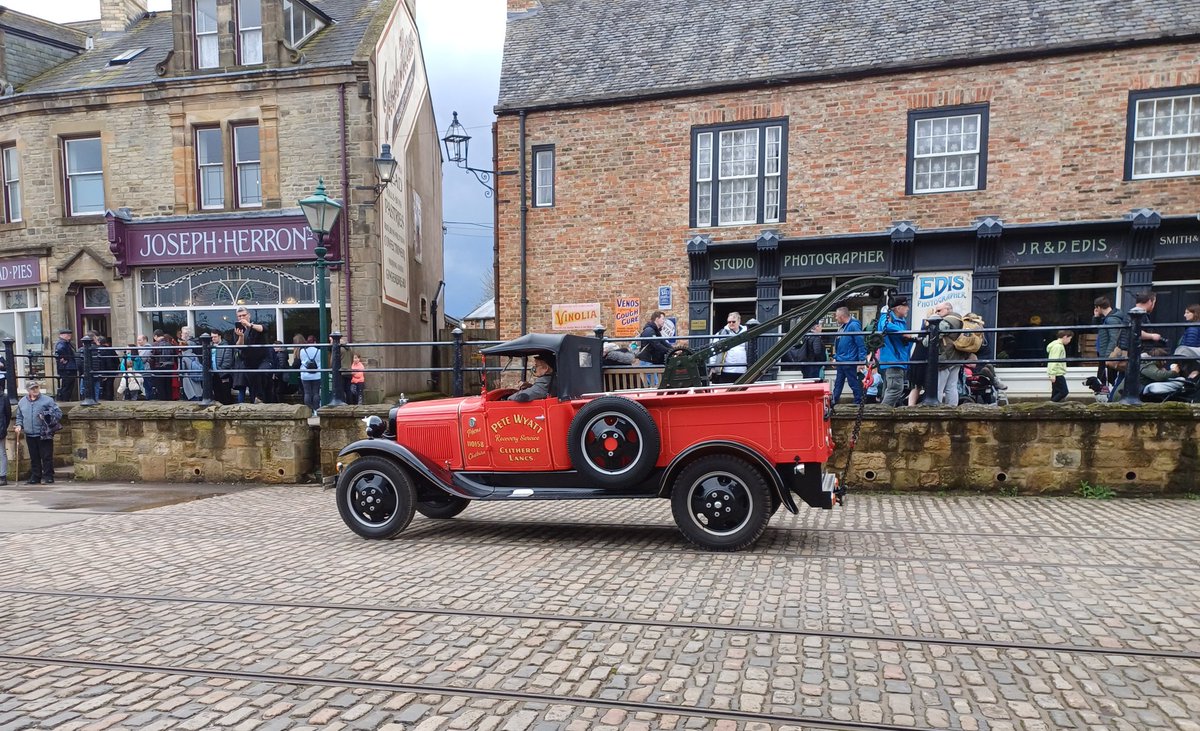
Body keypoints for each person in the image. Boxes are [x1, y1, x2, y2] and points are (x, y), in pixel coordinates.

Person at [13, 382, 61, 484]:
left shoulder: (48, 400)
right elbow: (19, 416)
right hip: (30, 433)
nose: (35, 390)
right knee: (34, 457)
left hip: (44, 433)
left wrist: (45, 415)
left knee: (46, 456)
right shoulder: (22, 402)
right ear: (28, 390)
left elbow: (58, 414)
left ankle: (48, 476)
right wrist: (19, 425)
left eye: (36, 387)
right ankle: (36, 476)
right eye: (32, 388)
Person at [877, 297, 915, 407]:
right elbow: (885, 326)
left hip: (898, 360)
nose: (908, 309)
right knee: (895, 389)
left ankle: (884, 412)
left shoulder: (899, 321)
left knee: (889, 390)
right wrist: (903, 333)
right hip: (893, 360)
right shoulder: (887, 318)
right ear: (898, 308)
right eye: (906, 306)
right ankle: (882, 415)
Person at [1092, 296, 1128, 397]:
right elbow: (1095, 329)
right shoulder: (1107, 319)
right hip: (1105, 354)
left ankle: (1110, 399)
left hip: (1108, 356)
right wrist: (1096, 317)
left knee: (1107, 380)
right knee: (1104, 380)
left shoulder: (1111, 320)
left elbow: (1114, 339)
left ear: (1098, 307)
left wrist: (1108, 356)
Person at [830, 307, 866, 405]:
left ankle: (858, 401)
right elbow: (840, 345)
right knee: (839, 382)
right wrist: (836, 358)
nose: (836, 318)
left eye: (837, 316)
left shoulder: (853, 326)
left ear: (842, 317)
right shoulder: (845, 327)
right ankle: (834, 400)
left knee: (852, 382)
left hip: (849, 360)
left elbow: (860, 343)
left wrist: (862, 360)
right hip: (843, 359)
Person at [234, 307, 268, 403]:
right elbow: (238, 346)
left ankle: (262, 399)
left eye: (244, 315)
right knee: (252, 384)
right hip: (248, 360)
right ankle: (255, 401)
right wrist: (241, 336)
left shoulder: (256, 324)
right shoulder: (237, 330)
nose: (242, 318)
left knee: (261, 374)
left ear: (249, 315)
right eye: (239, 316)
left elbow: (264, 329)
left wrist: (249, 325)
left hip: (262, 359)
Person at [933, 302, 964, 406]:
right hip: (957, 357)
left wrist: (924, 340)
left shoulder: (946, 321)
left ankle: (935, 409)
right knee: (952, 386)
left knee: (938, 387)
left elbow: (933, 337)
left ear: (948, 309)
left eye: (939, 310)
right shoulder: (959, 319)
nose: (936, 313)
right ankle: (953, 409)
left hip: (945, 356)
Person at [710, 312, 748, 384]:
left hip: (743, 370)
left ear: (739, 321)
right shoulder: (721, 333)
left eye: (733, 322)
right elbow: (713, 349)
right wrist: (713, 366)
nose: (731, 323)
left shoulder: (746, 332)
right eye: (729, 322)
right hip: (727, 370)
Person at [1047, 330, 1072, 402]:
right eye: (1069, 338)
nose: (1069, 341)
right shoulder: (1058, 347)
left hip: (1055, 372)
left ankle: (1052, 406)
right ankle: (1051, 404)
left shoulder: (1056, 346)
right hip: (1057, 373)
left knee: (1056, 392)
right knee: (1064, 391)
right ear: (1065, 337)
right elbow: (1054, 360)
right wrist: (1053, 373)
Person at [297, 340, 322, 415]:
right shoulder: (319, 351)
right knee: (316, 393)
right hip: (317, 374)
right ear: (315, 342)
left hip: (305, 374)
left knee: (307, 393)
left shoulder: (302, 351)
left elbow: (301, 360)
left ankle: (308, 411)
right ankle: (316, 410)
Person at [54, 328, 77, 402]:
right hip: (66, 368)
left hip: (69, 367)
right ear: (62, 335)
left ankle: (66, 399)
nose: (69, 336)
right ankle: (64, 400)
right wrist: (65, 358)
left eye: (70, 334)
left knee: (69, 385)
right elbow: (60, 351)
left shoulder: (67, 343)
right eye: (67, 334)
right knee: (67, 385)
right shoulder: (61, 343)